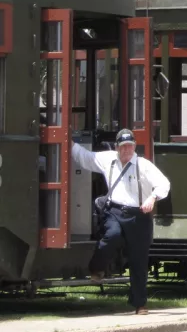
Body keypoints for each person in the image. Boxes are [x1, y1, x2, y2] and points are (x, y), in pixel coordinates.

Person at [71, 129, 170, 315]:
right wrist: (67, 143)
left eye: (130, 146)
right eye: (123, 147)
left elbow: (163, 183)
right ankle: (96, 269)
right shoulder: (108, 159)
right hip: (114, 211)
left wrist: (152, 198)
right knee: (112, 236)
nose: (127, 150)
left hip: (139, 215)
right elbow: (85, 157)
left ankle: (139, 304)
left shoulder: (143, 165)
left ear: (134, 147)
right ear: (116, 147)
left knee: (139, 260)